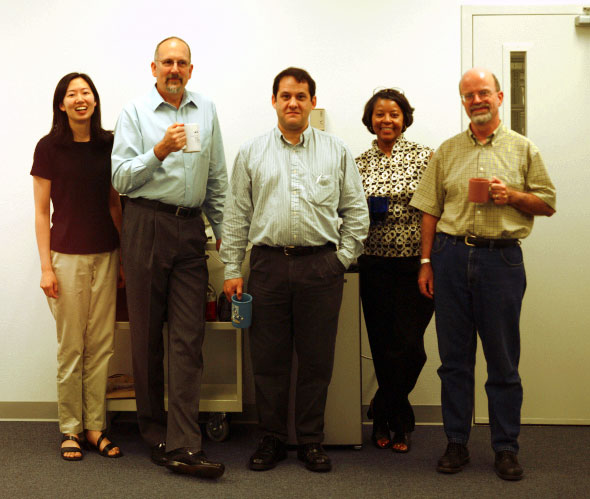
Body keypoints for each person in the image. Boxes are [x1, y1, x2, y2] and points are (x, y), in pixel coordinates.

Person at [410, 68, 556, 481]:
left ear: (499, 97)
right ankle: (456, 442)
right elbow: (430, 209)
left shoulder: (523, 149)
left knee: (503, 363)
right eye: (469, 95)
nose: (477, 100)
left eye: (483, 93)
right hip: (451, 257)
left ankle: (506, 448)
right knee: (454, 362)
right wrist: (426, 262)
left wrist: (511, 196)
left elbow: (546, 203)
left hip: (501, 261)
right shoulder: (448, 150)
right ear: (463, 102)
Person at [220, 67, 369, 473]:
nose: (293, 103)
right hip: (267, 267)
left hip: (321, 267)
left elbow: (356, 212)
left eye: (301, 96)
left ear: (312, 102)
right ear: (273, 101)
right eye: (285, 96)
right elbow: (236, 215)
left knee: (317, 359)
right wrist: (233, 267)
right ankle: (271, 437)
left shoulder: (335, 150)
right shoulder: (251, 153)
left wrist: (340, 259)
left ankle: (311, 440)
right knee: (268, 359)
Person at [111, 36, 227, 479]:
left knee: (188, 337)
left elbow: (217, 177)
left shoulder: (207, 109)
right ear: (154, 68)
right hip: (145, 223)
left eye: (182, 63)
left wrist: (224, 237)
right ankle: (154, 431)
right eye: (167, 63)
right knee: (146, 336)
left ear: (191, 70)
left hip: (189, 227)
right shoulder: (135, 113)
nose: (174, 69)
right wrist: (158, 151)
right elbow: (121, 178)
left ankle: (184, 443)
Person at [32, 73, 123, 460]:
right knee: (71, 348)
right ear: (61, 104)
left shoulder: (110, 144)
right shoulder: (49, 147)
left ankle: (94, 428)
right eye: (72, 94)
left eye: (86, 92)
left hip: (106, 255)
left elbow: (115, 204)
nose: (80, 99)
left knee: (100, 348)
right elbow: (40, 212)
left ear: (95, 100)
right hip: (65, 258)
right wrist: (45, 268)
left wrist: (123, 260)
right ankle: (70, 429)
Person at [356, 88, 434, 453]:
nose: (386, 120)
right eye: (379, 114)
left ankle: (381, 404)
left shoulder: (424, 157)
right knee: (384, 346)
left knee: (411, 349)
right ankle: (395, 423)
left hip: (415, 266)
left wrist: (428, 260)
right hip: (374, 265)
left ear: (405, 119)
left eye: (394, 114)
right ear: (370, 120)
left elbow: (436, 210)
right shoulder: (358, 162)